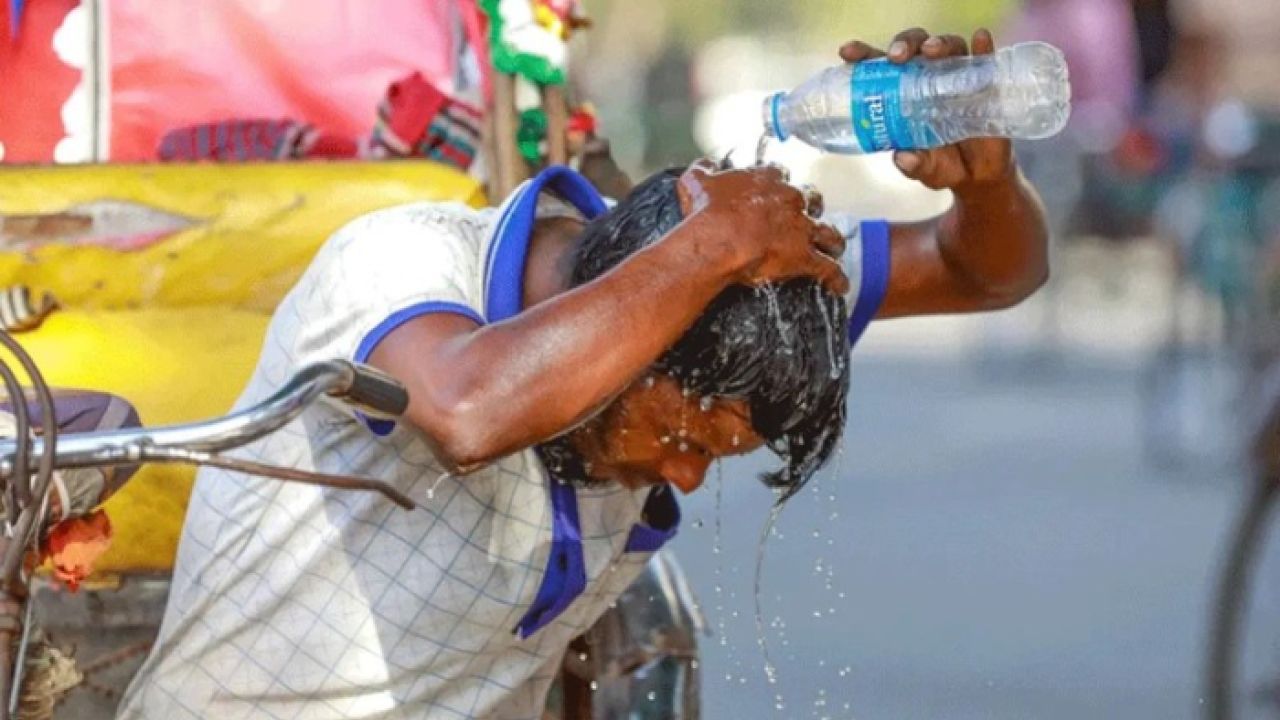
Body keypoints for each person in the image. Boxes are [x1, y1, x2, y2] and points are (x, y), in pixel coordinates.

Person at [118, 28, 1048, 720]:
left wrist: (984, 183)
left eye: (715, 456)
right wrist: (709, 247)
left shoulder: (737, 297)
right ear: (639, 328)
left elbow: (989, 271)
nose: (686, 477)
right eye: (685, 437)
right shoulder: (399, 264)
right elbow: (469, 411)